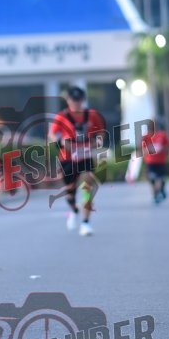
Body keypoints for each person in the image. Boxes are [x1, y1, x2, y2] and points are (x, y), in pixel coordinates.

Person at [48, 87, 106, 236]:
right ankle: (74, 209)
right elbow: (52, 134)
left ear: (83, 100)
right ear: (68, 100)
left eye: (79, 100)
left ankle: (86, 223)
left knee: (87, 187)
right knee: (70, 192)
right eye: (73, 100)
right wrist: (60, 142)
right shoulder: (62, 116)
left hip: (85, 157)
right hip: (67, 159)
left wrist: (97, 142)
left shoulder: (92, 115)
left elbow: (100, 132)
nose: (76, 103)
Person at [141, 122, 169, 204]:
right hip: (150, 162)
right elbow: (143, 149)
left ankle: (158, 192)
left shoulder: (162, 135)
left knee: (159, 178)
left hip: (160, 161)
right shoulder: (146, 137)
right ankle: (156, 194)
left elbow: (168, 146)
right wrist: (148, 151)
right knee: (152, 179)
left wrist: (163, 150)